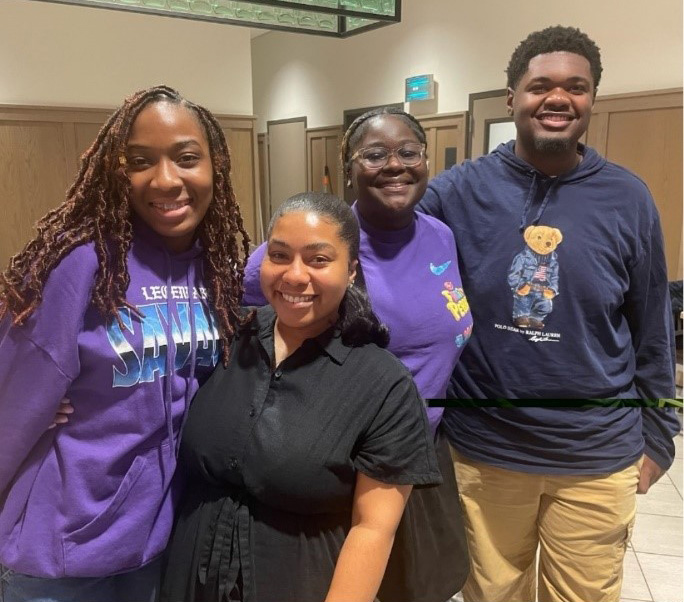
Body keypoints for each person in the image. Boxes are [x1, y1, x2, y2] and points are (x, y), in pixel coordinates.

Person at [417, 26, 680, 602]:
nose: (557, 98)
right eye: (540, 86)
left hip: (597, 454)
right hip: (484, 450)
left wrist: (660, 434)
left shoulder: (628, 198)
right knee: (491, 595)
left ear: (591, 100)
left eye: (576, 87)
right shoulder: (457, 193)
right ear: (511, 97)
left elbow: (652, 324)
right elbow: (392, 264)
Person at [0, 85, 249, 602]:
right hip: (60, 553)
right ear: (118, 172)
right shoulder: (84, 264)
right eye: (140, 161)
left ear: (215, 166)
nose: (165, 179)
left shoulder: (216, 270)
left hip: (159, 542)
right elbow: (11, 399)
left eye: (186, 158)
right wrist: (36, 406)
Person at [161, 192, 441, 602]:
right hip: (187, 580)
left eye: (318, 259)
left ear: (351, 271)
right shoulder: (226, 337)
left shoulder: (383, 385)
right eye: (279, 255)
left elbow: (373, 528)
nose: (294, 275)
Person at [243, 107, 472, 602]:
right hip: (347, 468)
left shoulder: (440, 235)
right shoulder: (324, 245)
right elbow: (234, 313)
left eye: (408, 152)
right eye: (374, 154)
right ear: (348, 168)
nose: (395, 165)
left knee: (422, 587)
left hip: (424, 454)